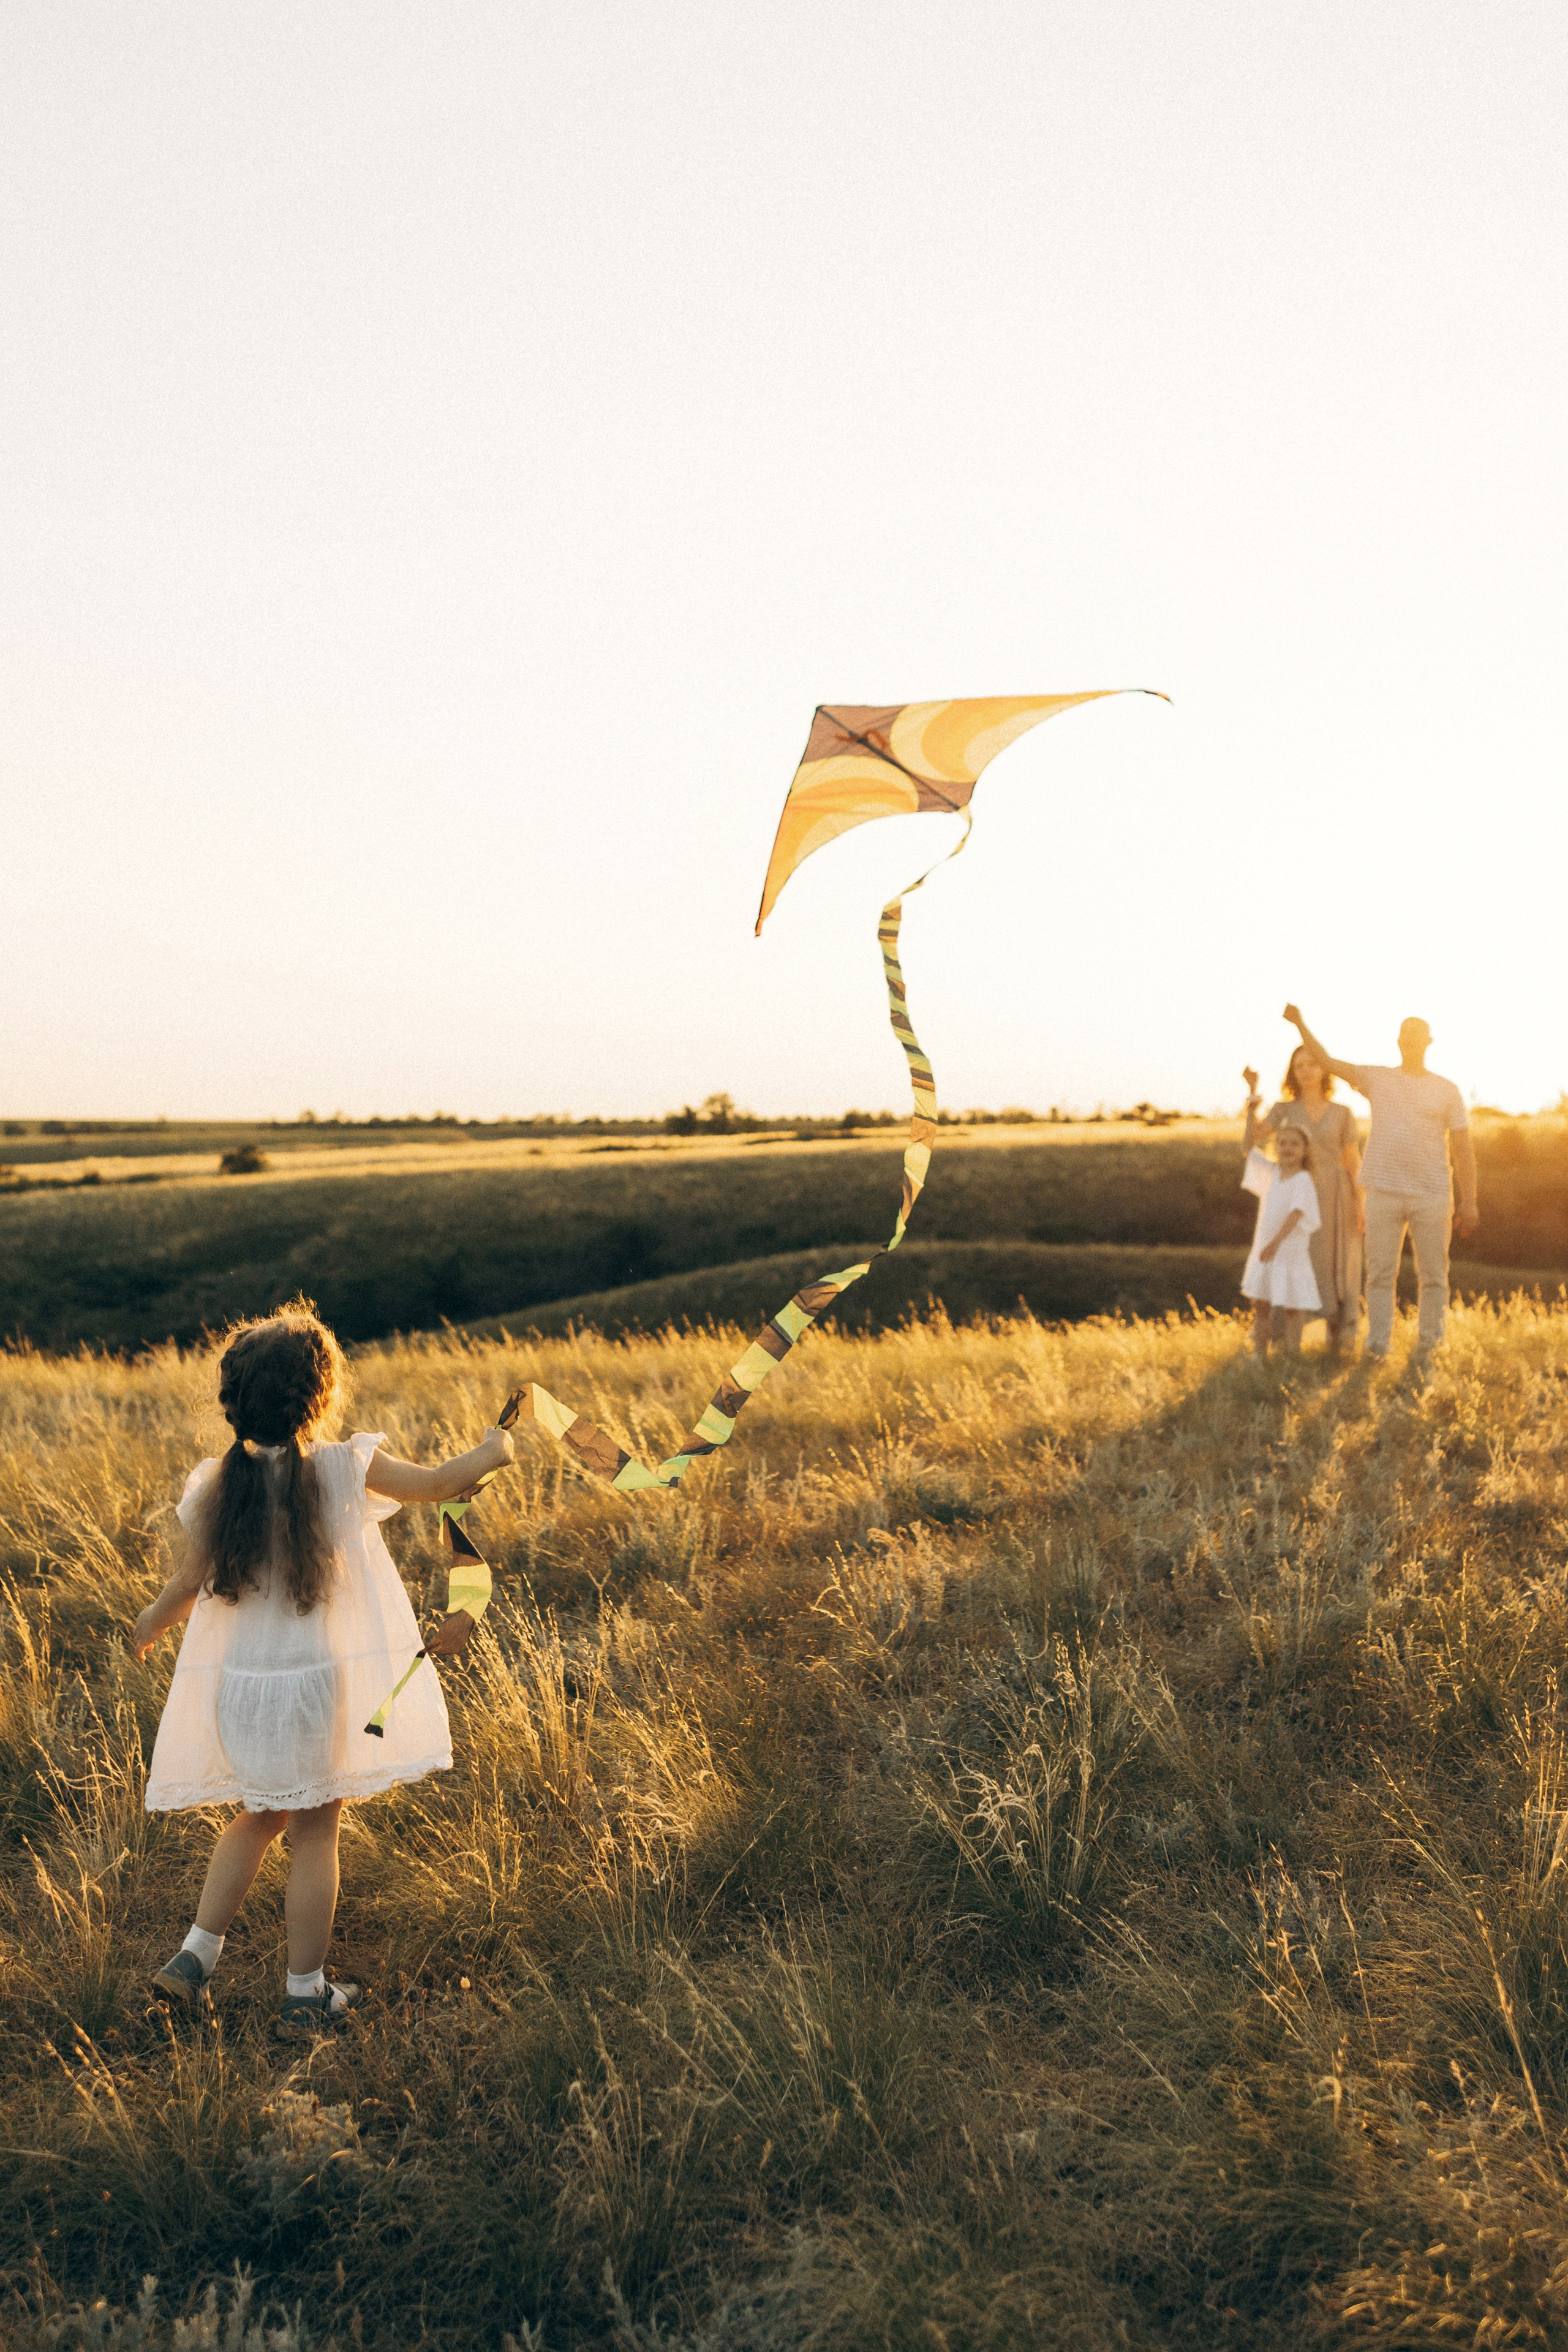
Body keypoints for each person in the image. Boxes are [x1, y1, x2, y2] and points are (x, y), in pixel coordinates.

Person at [134, 1303, 514, 2033]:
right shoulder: (348, 1466)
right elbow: (440, 1483)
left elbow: (186, 1587)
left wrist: (148, 1624)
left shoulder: (217, 1483)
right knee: (315, 1831)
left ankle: (194, 1957)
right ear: (319, 1398)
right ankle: (305, 1993)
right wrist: (494, 1450)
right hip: (312, 1690)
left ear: (237, 1399)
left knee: (256, 1817)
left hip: (239, 1693)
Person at [1283, 1006, 1478, 1358]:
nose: (1411, 1041)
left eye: (1418, 1035)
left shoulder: (1447, 1090)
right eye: (1406, 1035)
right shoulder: (1377, 1078)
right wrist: (1300, 1024)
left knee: (1434, 1276)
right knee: (1379, 1277)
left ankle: (1429, 1347)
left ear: (1429, 1042)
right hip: (1382, 1193)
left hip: (1432, 1195)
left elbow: (1464, 1150)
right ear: (1399, 1041)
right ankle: (1377, 1348)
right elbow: (1326, 1061)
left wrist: (1470, 1202)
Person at [1242, 1043, 1364, 1354]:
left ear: (1324, 1068)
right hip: (1291, 1195)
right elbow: (1255, 1135)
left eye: (1312, 1063)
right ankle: (1284, 1341)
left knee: (1334, 1264)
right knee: (1293, 1259)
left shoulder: (1343, 1112)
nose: (1307, 1070)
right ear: (1292, 1073)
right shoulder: (1284, 1110)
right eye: (1299, 1066)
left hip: (1336, 1198)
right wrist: (1253, 1092)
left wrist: (1360, 1204)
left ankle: (1337, 1338)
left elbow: (1352, 1161)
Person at [1238, 1089, 1322, 1355]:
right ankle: (1259, 1355)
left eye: (1295, 1144)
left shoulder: (1303, 1179)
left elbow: (1296, 1214)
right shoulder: (1272, 1173)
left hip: (1288, 1251)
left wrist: (1275, 1243)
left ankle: (1292, 1356)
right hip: (1266, 1248)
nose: (1287, 1148)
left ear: (1305, 1150)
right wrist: (1252, 1109)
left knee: (1291, 1307)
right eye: (1283, 1143)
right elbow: (1247, 1148)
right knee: (1261, 1305)